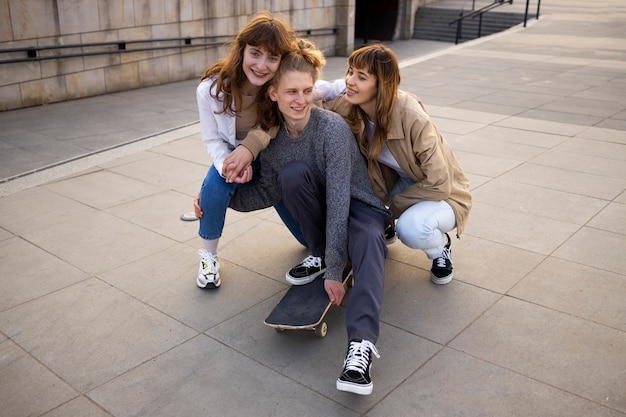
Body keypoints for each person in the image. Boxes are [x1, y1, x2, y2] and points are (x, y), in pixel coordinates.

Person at [226, 38, 392, 396]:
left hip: (358, 206)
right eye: (291, 92)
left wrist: (335, 271)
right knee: (291, 175)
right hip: (324, 219)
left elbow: (338, 200)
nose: (300, 100)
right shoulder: (275, 142)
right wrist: (224, 199)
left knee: (367, 241)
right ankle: (323, 251)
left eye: (306, 90)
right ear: (273, 94)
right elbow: (267, 192)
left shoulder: (330, 129)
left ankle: (359, 349)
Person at [320, 43, 472, 285]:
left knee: (411, 230)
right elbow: (310, 102)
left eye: (361, 76)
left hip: (444, 191)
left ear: (381, 84)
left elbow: (439, 182)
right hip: (402, 181)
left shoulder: (412, 116)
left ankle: (440, 248)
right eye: (350, 72)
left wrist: (391, 211)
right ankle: (387, 222)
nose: (349, 80)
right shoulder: (352, 106)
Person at [193, 11, 306, 290]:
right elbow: (212, 141)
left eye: (272, 57)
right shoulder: (210, 89)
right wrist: (228, 165)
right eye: (255, 53)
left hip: (273, 162)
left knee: (308, 241)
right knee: (214, 186)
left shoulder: (280, 84)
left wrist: (390, 94)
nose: (261, 65)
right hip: (235, 158)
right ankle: (209, 257)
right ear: (242, 49)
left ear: (281, 61)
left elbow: (321, 88)